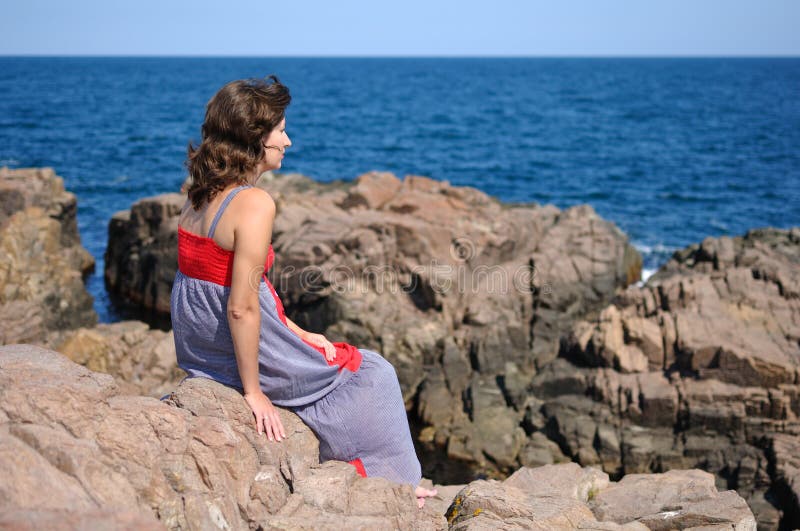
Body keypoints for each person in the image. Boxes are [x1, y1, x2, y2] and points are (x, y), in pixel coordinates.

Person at [169, 76, 437, 508]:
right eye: (280, 131)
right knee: (374, 374)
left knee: (326, 351)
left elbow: (226, 289)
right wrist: (253, 392)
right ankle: (398, 487)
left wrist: (298, 332)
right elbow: (240, 307)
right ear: (254, 138)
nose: (288, 141)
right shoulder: (254, 204)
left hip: (200, 347)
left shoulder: (198, 195)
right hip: (232, 348)